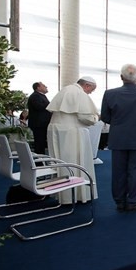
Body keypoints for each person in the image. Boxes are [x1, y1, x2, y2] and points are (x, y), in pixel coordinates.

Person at [100, 64, 136, 212]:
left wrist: (119, 123)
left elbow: (105, 117)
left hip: (118, 137)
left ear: (121, 77)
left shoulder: (109, 94)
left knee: (118, 170)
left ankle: (120, 201)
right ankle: (132, 201)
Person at [46, 76, 100, 204]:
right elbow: (85, 117)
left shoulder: (65, 90)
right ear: (87, 85)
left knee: (60, 161)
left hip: (56, 129)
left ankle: (62, 195)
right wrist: (96, 118)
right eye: (91, 90)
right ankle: (74, 196)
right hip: (72, 133)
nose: (90, 93)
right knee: (73, 162)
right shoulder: (79, 93)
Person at [27, 82, 52, 154]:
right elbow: (39, 107)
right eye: (44, 86)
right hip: (39, 124)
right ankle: (39, 159)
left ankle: (41, 157)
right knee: (39, 143)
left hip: (42, 124)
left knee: (42, 143)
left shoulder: (41, 96)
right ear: (38, 87)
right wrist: (51, 105)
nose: (46, 87)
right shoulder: (35, 96)